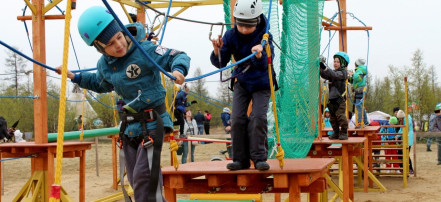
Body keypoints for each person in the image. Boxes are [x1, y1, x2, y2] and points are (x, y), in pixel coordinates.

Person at [56, 6, 190, 201]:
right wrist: (75, 77)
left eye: (119, 36)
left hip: (153, 122)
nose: (118, 44)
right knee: (135, 180)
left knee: (144, 177)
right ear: (100, 47)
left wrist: (178, 70)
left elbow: (177, 55)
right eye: (110, 44)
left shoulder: (144, 49)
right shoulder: (105, 65)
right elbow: (99, 83)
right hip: (129, 128)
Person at [210, 0, 276, 171]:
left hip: (262, 82)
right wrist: (217, 50)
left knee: (258, 118)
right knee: (237, 118)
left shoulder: (265, 36)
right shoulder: (231, 35)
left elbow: (267, 64)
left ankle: (259, 158)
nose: (245, 30)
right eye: (241, 25)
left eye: (249, 26)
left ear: (256, 21)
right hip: (242, 81)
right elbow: (221, 63)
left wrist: (260, 56)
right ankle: (240, 159)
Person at [319, 52, 349, 140]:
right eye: (334, 61)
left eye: (337, 62)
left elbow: (335, 75)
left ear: (342, 63)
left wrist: (325, 68)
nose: (335, 63)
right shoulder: (333, 73)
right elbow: (325, 75)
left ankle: (344, 132)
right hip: (332, 100)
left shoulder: (343, 73)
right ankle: (336, 132)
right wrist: (320, 68)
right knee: (333, 118)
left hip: (339, 100)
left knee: (340, 116)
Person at [348, 58, 369, 128]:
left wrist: (352, 74)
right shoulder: (361, 70)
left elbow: (358, 78)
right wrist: (350, 78)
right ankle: (366, 121)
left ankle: (360, 122)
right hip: (360, 89)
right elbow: (356, 81)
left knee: (359, 107)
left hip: (359, 90)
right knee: (361, 106)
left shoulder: (359, 70)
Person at [396, 110, 414, 174]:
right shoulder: (403, 120)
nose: (399, 119)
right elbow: (401, 129)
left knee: (406, 154)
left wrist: (398, 135)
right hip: (404, 138)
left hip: (408, 138)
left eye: (400, 118)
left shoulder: (407, 120)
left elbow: (405, 129)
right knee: (400, 153)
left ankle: (410, 168)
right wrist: (397, 136)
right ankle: (402, 168)